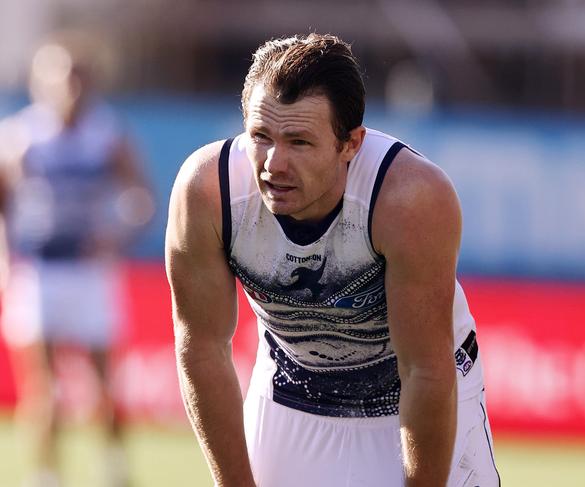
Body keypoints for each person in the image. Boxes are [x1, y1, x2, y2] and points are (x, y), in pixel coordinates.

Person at [165, 33, 499, 487]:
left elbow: (425, 368)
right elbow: (202, 350)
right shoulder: (207, 193)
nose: (273, 164)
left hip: (412, 396)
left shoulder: (408, 199)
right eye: (260, 136)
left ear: (351, 144)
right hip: (293, 389)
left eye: (299, 142)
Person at [0, 32, 154, 487]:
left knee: (103, 384)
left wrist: (115, 237)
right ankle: (46, 473)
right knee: (42, 387)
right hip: (41, 270)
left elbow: (140, 196)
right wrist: (6, 262)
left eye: (79, 76)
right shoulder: (23, 137)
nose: (71, 86)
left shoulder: (107, 135)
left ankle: (113, 466)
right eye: (62, 76)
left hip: (90, 273)